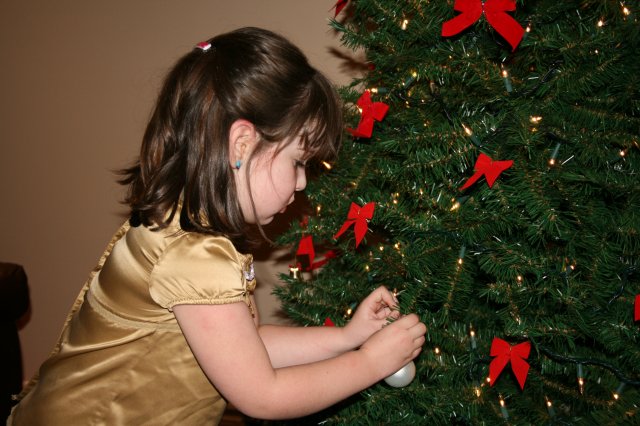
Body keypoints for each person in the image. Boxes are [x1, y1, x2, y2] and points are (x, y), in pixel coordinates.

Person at [8, 27, 426, 425]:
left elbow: (247, 347)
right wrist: (369, 363)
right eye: (298, 162)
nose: (302, 183)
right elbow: (263, 394)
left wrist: (347, 338)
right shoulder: (195, 256)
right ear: (242, 143)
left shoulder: (189, 227)